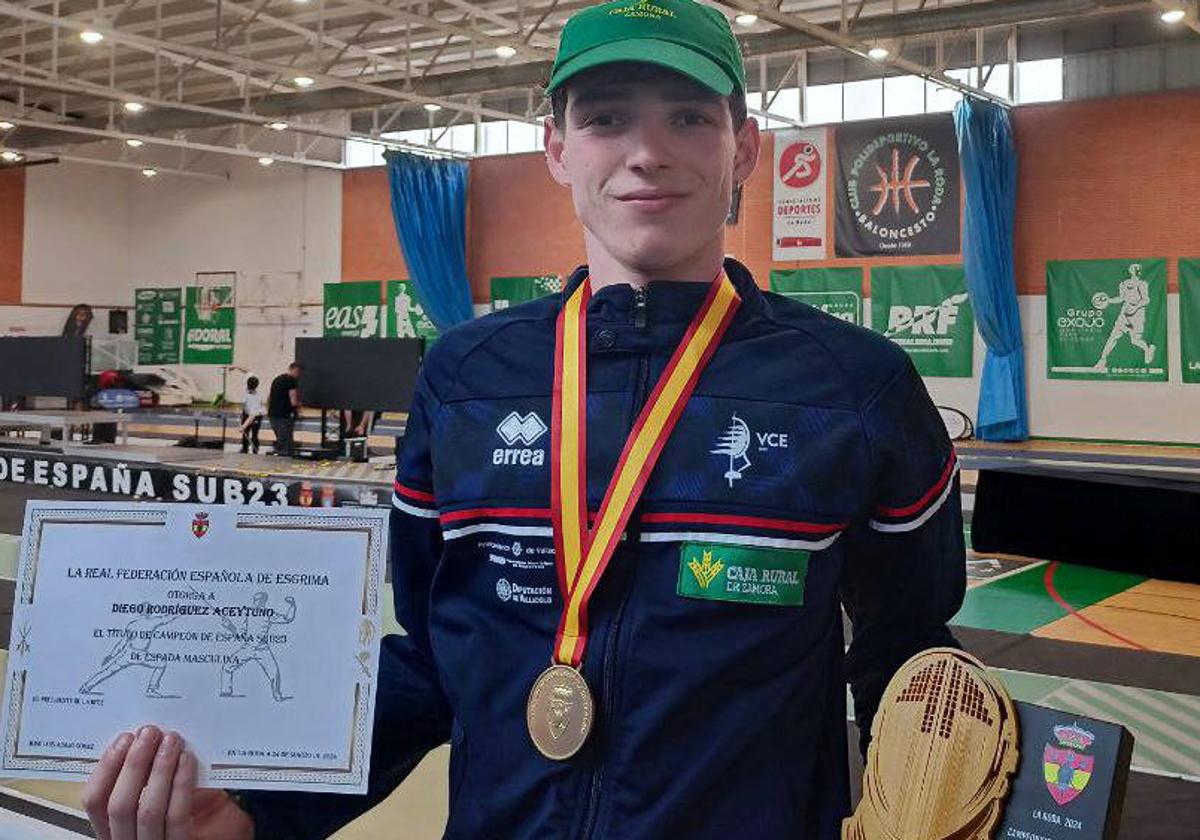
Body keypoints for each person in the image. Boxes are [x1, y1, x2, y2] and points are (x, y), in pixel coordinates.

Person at [83, 2, 965, 838]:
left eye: (690, 118)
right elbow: (430, 660)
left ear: (744, 150)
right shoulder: (466, 378)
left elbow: (908, 657)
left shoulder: (854, 388)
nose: (648, 152)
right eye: (607, 118)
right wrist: (260, 809)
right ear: (555, 149)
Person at [266, 362, 301, 456]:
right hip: (284, 414)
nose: (298, 375)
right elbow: (293, 400)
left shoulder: (277, 379)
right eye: (298, 372)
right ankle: (285, 458)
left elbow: (269, 397)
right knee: (286, 439)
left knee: (280, 437)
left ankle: (280, 453)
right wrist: (297, 410)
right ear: (294, 370)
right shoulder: (291, 381)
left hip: (272, 413)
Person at [240, 376, 264, 454]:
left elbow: (252, 415)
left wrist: (243, 426)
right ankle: (245, 448)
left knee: (253, 433)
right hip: (248, 414)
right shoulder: (249, 394)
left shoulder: (255, 398)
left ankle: (254, 450)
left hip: (255, 416)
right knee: (248, 433)